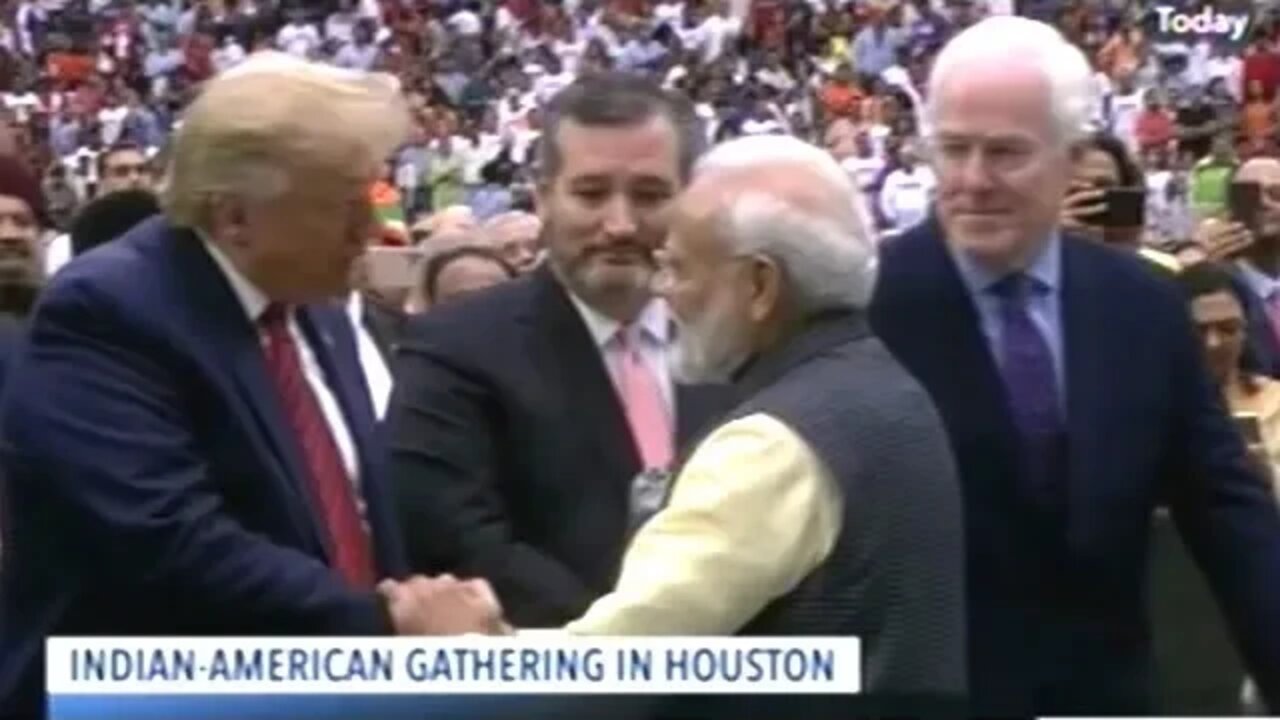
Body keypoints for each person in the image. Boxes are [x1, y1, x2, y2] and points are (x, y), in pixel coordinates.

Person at [0, 53, 502, 719]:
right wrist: (389, 620)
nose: (372, 228)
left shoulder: (313, 303)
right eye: (344, 205)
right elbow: (167, 539)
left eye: (374, 197)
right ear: (236, 217)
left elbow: (354, 516)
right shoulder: (107, 310)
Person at [869, 17, 1280, 715]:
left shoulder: (1143, 306)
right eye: (954, 150)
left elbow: (1227, 513)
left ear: (1069, 157)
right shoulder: (866, 307)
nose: (973, 180)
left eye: (1005, 153)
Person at [562, 134, 966, 718]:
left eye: (676, 268)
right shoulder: (889, 388)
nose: (661, 291)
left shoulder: (772, 444)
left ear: (758, 285)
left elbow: (611, 664)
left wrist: (467, 647)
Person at [385, 72, 729, 628]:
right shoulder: (456, 348)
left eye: (649, 195)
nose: (620, 224)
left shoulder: (743, 341)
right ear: (544, 198)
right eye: (591, 194)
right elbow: (458, 539)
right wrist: (630, 646)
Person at [1178, 262, 1280, 495]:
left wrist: (1268, 475)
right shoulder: (1149, 409)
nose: (1213, 343)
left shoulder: (1277, 401)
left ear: (1246, 331)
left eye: (1228, 329)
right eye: (1199, 330)